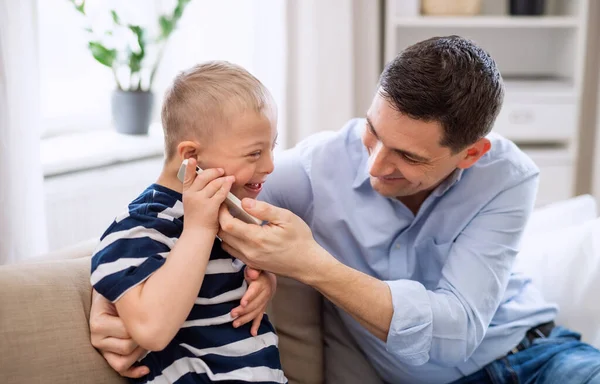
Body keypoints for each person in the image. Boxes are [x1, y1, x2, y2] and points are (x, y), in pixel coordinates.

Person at [90, 36, 600, 383]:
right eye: (373, 132)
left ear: (470, 153)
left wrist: (310, 264)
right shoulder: (314, 170)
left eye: (409, 157)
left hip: (534, 355)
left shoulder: (506, 177)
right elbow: (181, 198)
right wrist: (109, 294)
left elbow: (458, 332)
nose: (376, 164)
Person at [90, 61, 286, 383]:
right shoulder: (138, 229)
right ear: (190, 156)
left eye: (272, 147)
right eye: (254, 154)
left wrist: (266, 278)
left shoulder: (233, 213)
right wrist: (199, 228)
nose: (270, 165)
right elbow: (152, 331)